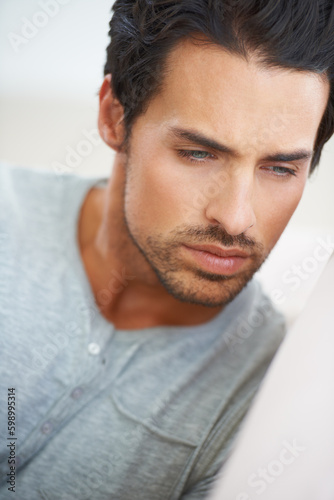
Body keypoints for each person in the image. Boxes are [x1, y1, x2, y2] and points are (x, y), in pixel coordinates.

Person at [0, 0, 333, 499]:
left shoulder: (259, 409)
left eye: (279, 168)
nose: (237, 217)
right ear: (114, 116)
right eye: (199, 153)